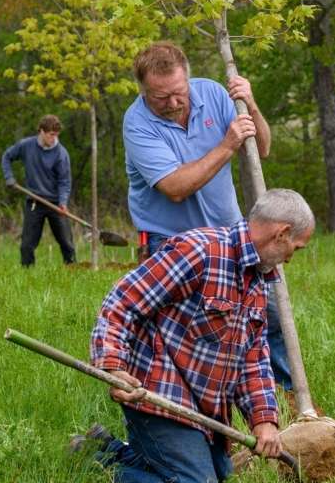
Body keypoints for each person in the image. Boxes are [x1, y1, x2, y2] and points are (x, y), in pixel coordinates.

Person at [75, 189, 315, 483]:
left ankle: (104, 447)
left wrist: (263, 420)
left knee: (223, 481)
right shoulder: (200, 251)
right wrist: (112, 366)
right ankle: (94, 464)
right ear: (281, 234)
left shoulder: (257, 280)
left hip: (203, 410)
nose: (291, 258)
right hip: (156, 393)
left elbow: (253, 359)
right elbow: (122, 301)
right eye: (296, 247)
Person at [122, 41, 293, 389]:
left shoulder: (213, 94)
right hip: (172, 242)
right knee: (184, 331)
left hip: (230, 234)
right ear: (143, 91)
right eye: (160, 97)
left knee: (267, 315)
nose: (172, 103)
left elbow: (261, 148)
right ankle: (186, 404)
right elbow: (175, 186)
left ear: (188, 78)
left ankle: (287, 398)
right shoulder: (137, 123)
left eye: (178, 92)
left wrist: (252, 105)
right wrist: (226, 145)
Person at [1, 114, 75, 267]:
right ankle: (27, 275)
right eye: (51, 134)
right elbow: (7, 157)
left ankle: (73, 270)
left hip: (55, 203)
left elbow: (64, 182)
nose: (53, 138)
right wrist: (9, 177)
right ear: (41, 131)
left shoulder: (61, 154)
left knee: (67, 244)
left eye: (56, 135)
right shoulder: (26, 146)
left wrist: (63, 202)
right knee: (27, 245)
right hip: (34, 201)